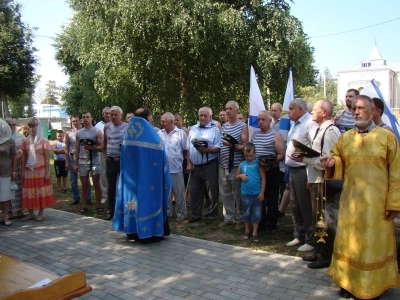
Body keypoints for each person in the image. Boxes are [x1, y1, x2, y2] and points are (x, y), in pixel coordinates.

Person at [321, 95, 400, 299]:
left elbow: (397, 173)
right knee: (350, 243)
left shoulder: (387, 137)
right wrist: (332, 162)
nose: (356, 111)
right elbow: (337, 159)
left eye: (361, 108)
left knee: (372, 246)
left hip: (377, 205)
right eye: (354, 108)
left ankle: (373, 287)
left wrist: (394, 203)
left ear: (373, 111)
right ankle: (347, 283)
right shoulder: (346, 138)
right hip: (351, 203)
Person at [288, 99, 341, 268]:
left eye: (315, 110)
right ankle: (319, 251)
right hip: (316, 179)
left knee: (325, 219)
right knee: (319, 217)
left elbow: (327, 161)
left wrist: (304, 158)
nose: (311, 113)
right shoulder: (320, 129)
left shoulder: (331, 131)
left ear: (324, 112)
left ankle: (326, 256)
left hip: (326, 182)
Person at [113, 108, 171, 243]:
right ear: (148, 117)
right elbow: (162, 158)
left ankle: (131, 231)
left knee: (132, 201)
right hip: (148, 180)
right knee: (146, 201)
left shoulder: (129, 134)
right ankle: (149, 232)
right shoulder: (152, 136)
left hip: (130, 181)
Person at [285, 98, 317, 252]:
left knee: (306, 206)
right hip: (292, 169)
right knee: (295, 205)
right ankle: (299, 235)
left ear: (301, 109)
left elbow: (314, 149)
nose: (288, 112)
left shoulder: (310, 123)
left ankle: (310, 239)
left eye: (291, 109)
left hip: (304, 170)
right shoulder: (294, 123)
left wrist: (311, 176)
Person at [186, 106, 221, 224]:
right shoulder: (193, 128)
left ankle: (212, 215)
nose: (202, 117)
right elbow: (188, 148)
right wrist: (189, 162)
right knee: (195, 191)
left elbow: (218, 148)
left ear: (211, 117)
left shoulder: (215, 130)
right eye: (201, 115)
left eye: (205, 115)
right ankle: (196, 214)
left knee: (212, 191)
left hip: (209, 164)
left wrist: (205, 150)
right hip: (195, 166)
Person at [251, 110, 284, 231]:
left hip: (271, 170)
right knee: (259, 197)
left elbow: (281, 154)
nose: (260, 122)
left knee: (272, 196)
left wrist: (270, 162)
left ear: (270, 121)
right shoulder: (255, 135)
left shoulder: (276, 135)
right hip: (257, 171)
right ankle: (260, 221)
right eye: (259, 119)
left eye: (263, 119)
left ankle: (271, 223)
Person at [219, 100, 248, 229]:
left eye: (231, 108)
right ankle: (229, 217)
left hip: (236, 165)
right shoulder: (224, 126)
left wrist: (233, 146)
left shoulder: (242, 126)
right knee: (225, 192)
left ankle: (240, 218)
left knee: (238, 193)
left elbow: (245, 146)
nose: (228, 111)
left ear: (237, 110)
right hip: (223, 164)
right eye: (226, 108)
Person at [21, 117, 56, 221]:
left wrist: (47, 172)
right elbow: (24, 157)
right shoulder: (26, 141)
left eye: (34, 126)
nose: (31, 129)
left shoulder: (44, 141)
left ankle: (41, 212)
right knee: (29, 191)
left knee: (40, 191)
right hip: (29, 170)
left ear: (38, 127)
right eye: (30, 126)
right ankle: (30, 212)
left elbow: (46, 158)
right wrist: (23, 170)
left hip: (40, 170)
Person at [158, 112, 188, 222]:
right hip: (163, 169)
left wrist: (186, 162)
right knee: (166, 192)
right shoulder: (159, 134)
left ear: (171, 122)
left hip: (176, 168)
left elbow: (186, 149)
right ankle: (167, 213)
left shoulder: (180, 133)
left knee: (179, 192)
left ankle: (181, 213)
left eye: (164, 121)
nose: (161, 123)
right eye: (161, 121)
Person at [74, 111, 105, 215]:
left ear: (91, 118)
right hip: (82, 161)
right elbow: (77, 148)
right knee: (84, 185)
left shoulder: (97, 132)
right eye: (84, 117)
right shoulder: (79, 133)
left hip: (95, 161)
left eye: (88, 117)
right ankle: (84, 206)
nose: (86, 119)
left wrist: (91, 147)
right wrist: (75, 163)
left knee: (96, 184)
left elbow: (101, 147)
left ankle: (99, 206)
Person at [235, 142, 266, 243]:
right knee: (246, 213)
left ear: (255, 154)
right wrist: (240, 176)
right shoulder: (242, 164)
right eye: (246, 155)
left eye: (251, 156)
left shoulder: (258, 164)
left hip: (256, 193)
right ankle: (247, 230)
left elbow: (263, 178)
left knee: (257, 214)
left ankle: (255, 232)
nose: (248, 157)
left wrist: (262, 193)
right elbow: (236, 176)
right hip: (245, 194)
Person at [104, 106, 128, 220]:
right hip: (110, 160)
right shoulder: (107, 126)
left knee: (124, 186)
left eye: (115, 115)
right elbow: (105, 142)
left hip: (122, 160)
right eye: (111, 115)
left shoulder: (127, 127)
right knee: (111, 187)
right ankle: (111, 211)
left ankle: (123, 210)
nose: (113, 117)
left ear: (121, 115)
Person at [65, 115, 92, 205]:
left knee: (86, 179)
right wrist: (67, 161)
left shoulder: (84, 131)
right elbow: (67, 148)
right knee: (73, 180)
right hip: (72, 157)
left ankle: (88, 198)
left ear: (80, 121)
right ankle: (76, 198)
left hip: (83, 158)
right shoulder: (68, 133)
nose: (75, 123)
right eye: (73, 121)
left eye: (76, 121)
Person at [6, 118, 25, 218]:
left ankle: (20, 210)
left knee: (19, 187)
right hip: (7, 166)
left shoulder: (20, 137)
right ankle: (9, 211)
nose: (13, 127)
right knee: (8, 188)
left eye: (14, 125)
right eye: (10, 125)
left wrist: (18, 160)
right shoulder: (3, 137)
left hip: (18, 166)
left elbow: (23, 152)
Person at [0, 120, 17, 226]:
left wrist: (13, 172)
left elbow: (14, 156)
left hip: (6, 171)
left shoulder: (10, 141)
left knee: (5, 196)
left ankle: (5, 215)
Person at [95, 107, 111, 205]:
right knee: (103, 174)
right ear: (103, 115)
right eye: (106, 113)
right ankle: (105, 195)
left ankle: (115, 195)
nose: (108, 115)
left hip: (114, 153)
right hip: (103, 153)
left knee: (115, 175)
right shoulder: (99, 125)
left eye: (110, 113)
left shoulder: (116, 125)